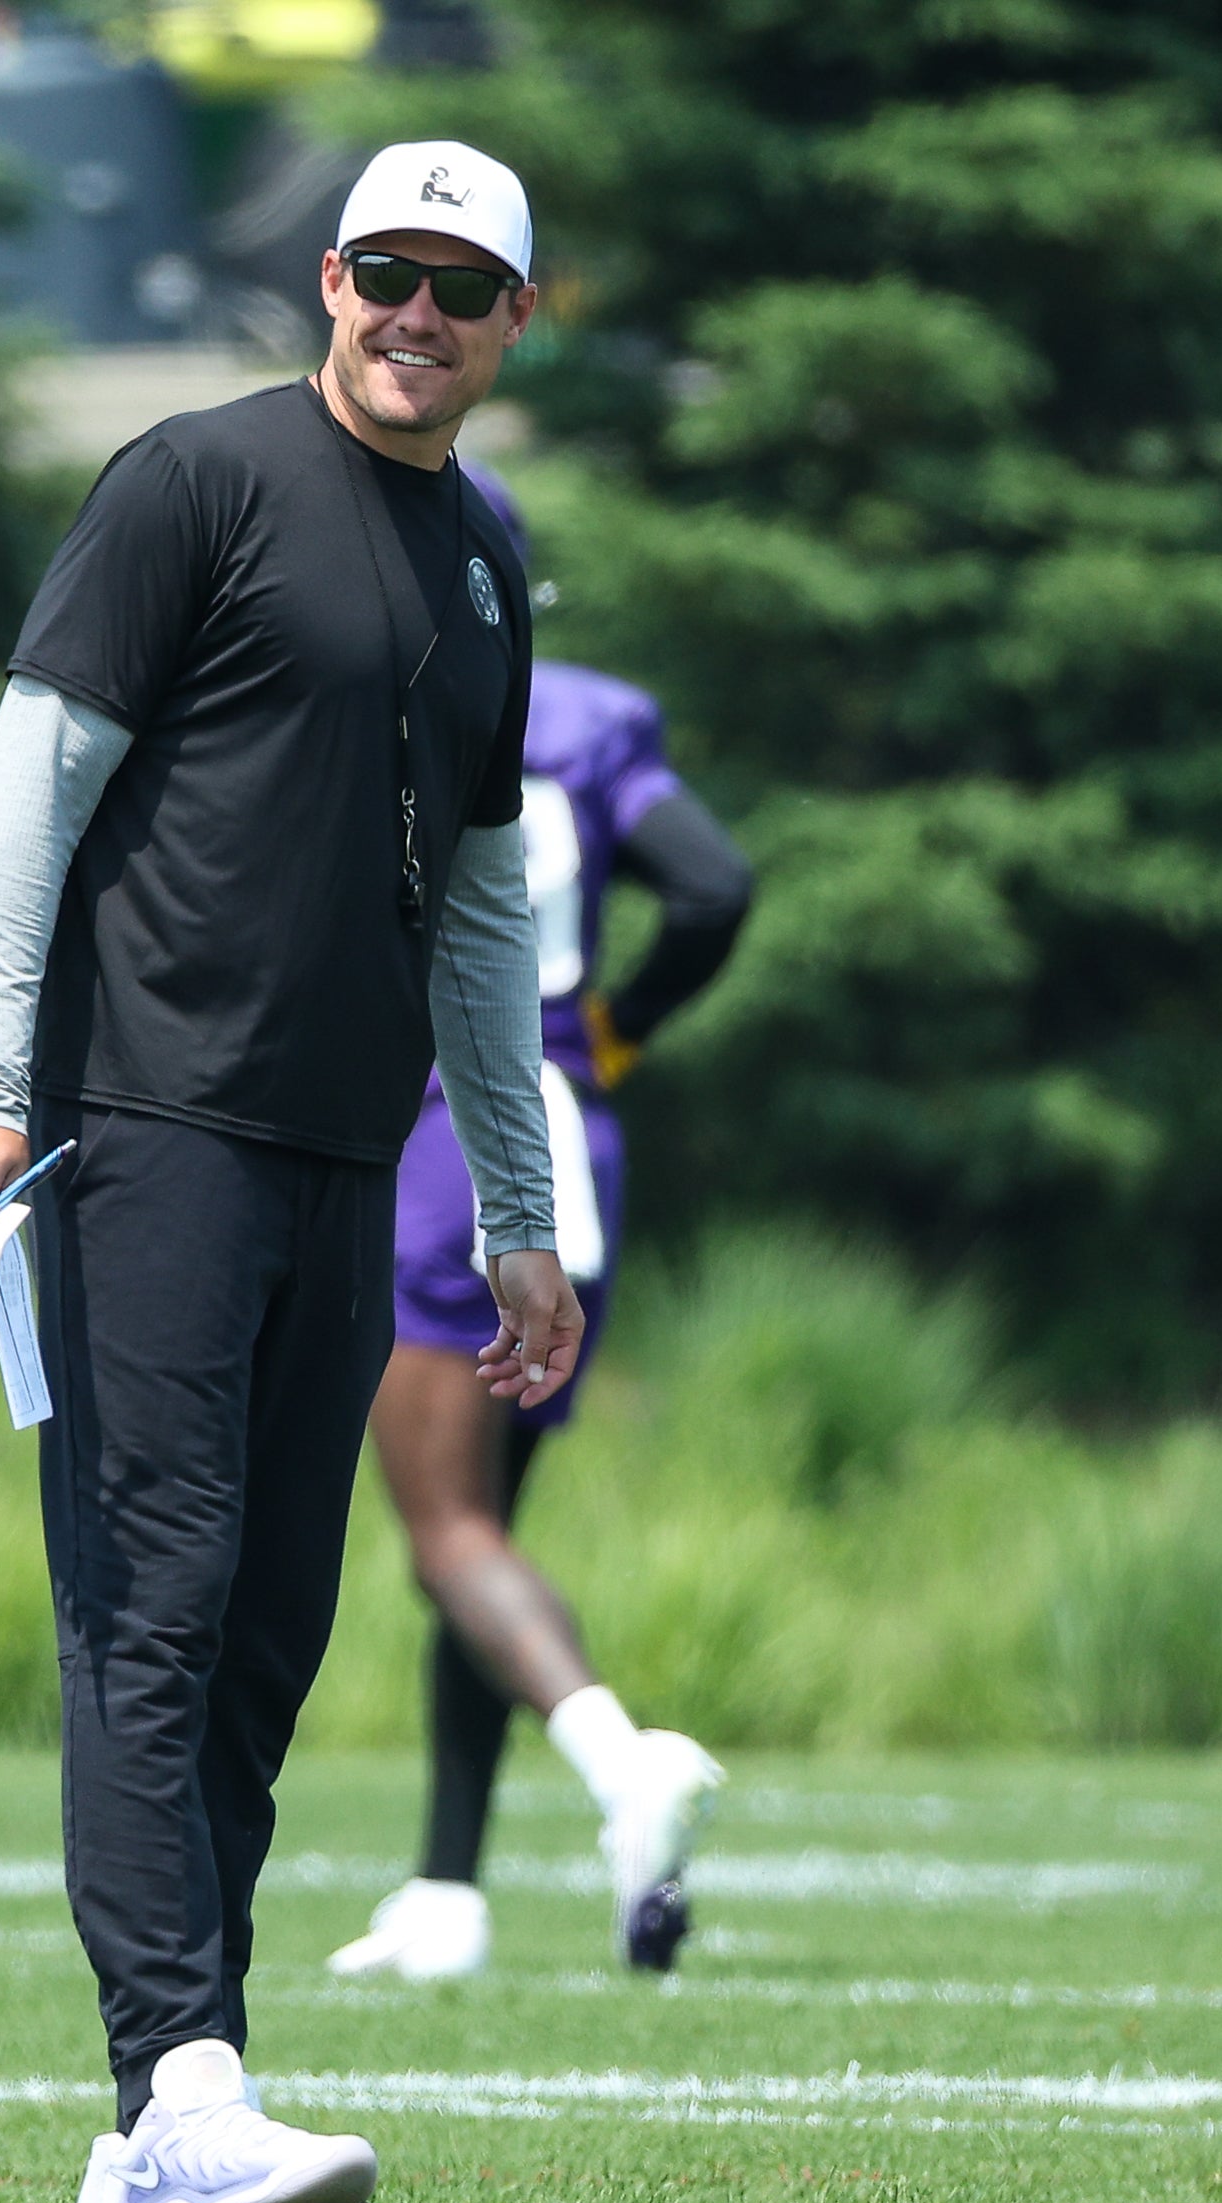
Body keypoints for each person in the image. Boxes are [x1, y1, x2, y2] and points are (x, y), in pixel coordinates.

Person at [0, 139, 571, 2203]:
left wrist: (516, 1204)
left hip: (332, 1161)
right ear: (326, 276)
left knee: (270, 1635)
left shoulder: (484, 560)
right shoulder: (188, 482)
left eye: (458, 287)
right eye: (386, 268)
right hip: (147, 1130)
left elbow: (480, 913)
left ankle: (174, 2134)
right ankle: (178, 2092)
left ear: (509, 325)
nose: (416, 311)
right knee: (157, 1603)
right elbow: (34, 782)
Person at [327, 469, 755, 1985]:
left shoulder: (362, 695)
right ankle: (447, 1889)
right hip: (572, 1142)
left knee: (445, 1529)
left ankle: (619, 1761)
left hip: (449, 1136)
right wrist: (616, 1033)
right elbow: (711, 887)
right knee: (479, 1528)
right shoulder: (586, 717)